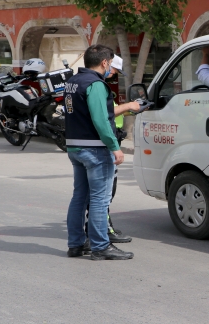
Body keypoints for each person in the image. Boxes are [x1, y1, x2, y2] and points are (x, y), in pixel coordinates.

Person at [64, 44, 133, 260]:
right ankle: (101, 246)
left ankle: (76, 245)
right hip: (94, 149)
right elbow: (100, 119)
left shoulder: (72, 82)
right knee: (99, 200)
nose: (110, 66)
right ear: (104, 62)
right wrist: (115, 147)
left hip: (75, 147)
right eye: (111, 63)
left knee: (79, 198)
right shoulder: (95, 84)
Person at [83, 55, 140, 246]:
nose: (114, 74)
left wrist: (130, 110)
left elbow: (110, 110)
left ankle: (94, 232)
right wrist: (129, 106)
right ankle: (102, 235)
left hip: (99, 143)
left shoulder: (95, 84)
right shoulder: (97, 85)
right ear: (105, 63)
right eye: (114, 69)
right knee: (103, 194)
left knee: (97, 194)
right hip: (103, 144)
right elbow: (103, 115)